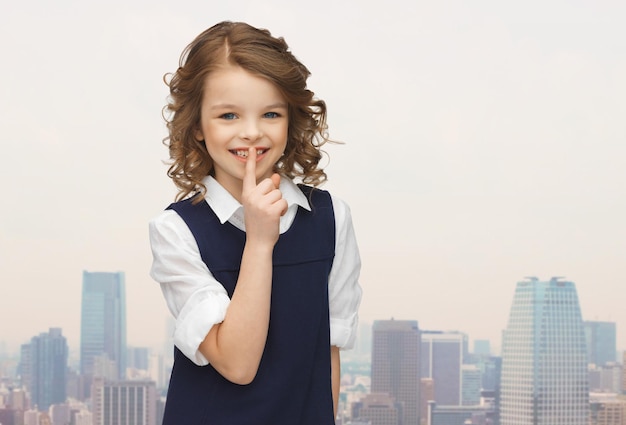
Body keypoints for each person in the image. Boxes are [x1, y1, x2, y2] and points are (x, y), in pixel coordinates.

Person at [149, 21, 362, 424]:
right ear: (197, 126)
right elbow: (237, 363)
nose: (251, 132)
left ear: (290, 120)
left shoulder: (331, 220)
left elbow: (328, 355)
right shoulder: (177, 231)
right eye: (228, 115)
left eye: (270, 113)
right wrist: (260, 241)